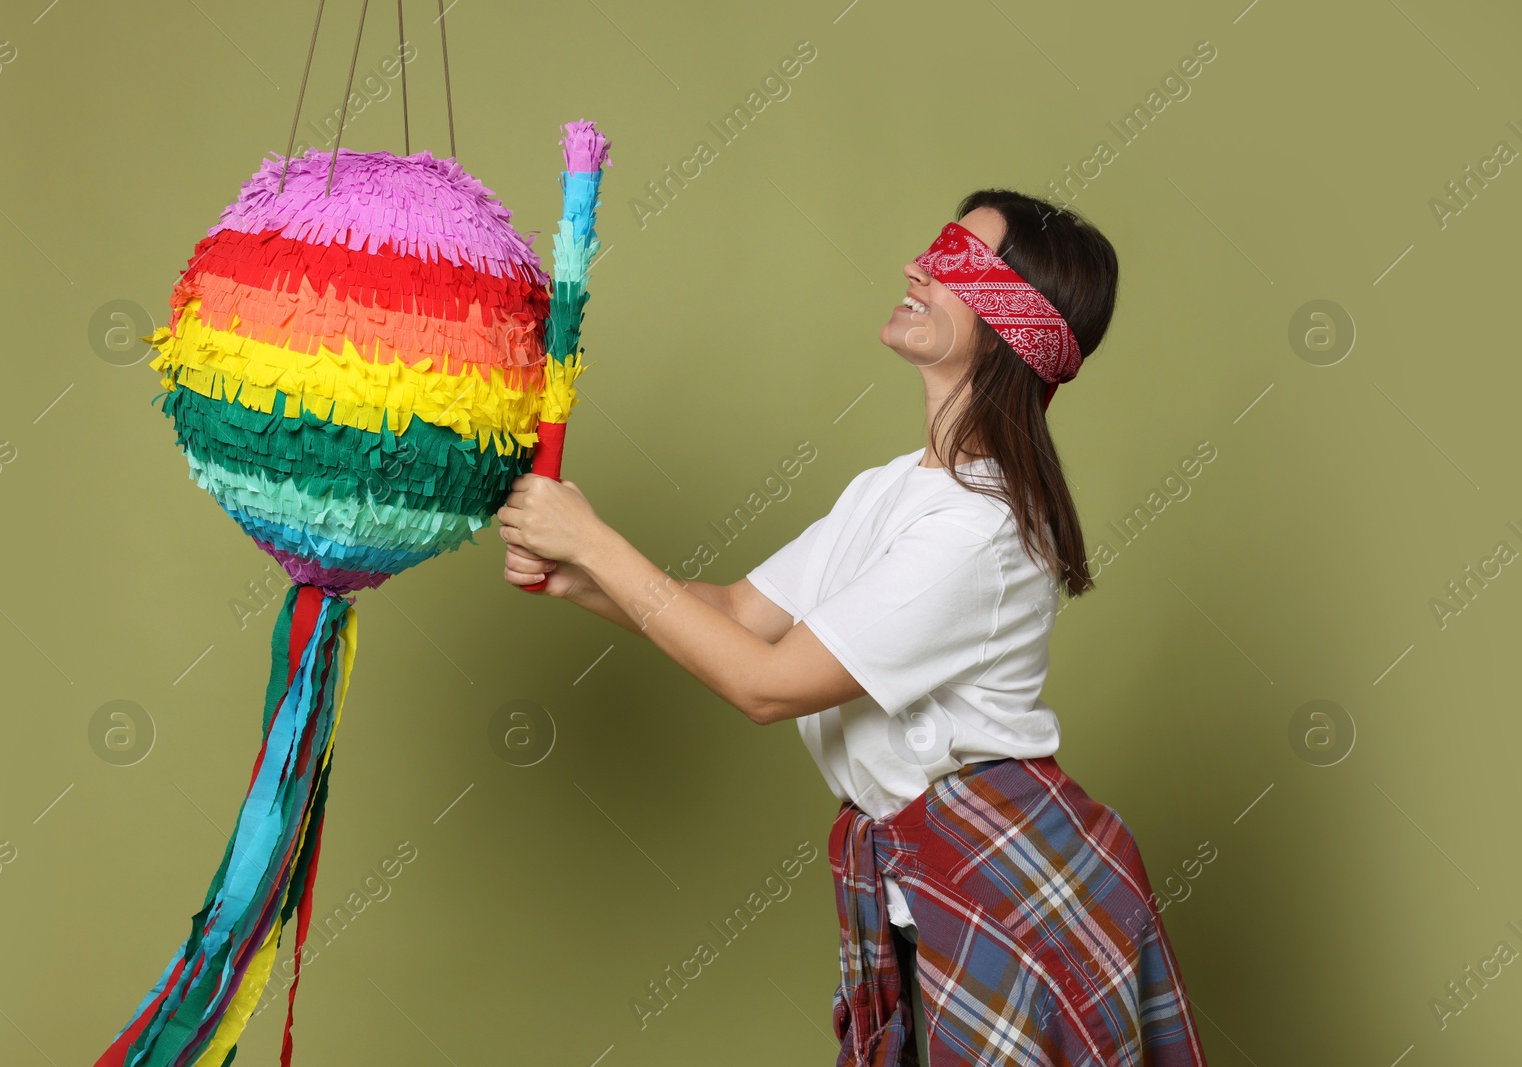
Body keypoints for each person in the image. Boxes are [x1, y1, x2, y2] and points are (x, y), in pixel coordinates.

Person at [496, 189, 1209, 1066]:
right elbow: (732, 616)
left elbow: (766, 684)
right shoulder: (891, 489)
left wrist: (595, 541)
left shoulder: (977, 530)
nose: (917, 266)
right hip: (927, 884)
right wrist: (584, 574)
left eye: (955, 258)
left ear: (1009, 324)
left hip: (1007, 888)